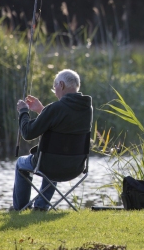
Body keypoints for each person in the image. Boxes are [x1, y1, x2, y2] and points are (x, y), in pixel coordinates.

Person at [11, 69, 93, 211]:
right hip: (76, 167)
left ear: (61, 85)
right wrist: (42, 111)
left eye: (54, 87)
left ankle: (21, 207)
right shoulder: (87, 109)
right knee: (56, 156)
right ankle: (41, 206)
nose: (54, 91)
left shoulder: (55, 108)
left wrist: (23, 111)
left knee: (22, 163)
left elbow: (28, 133)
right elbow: (63, 123)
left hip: (50, 165)